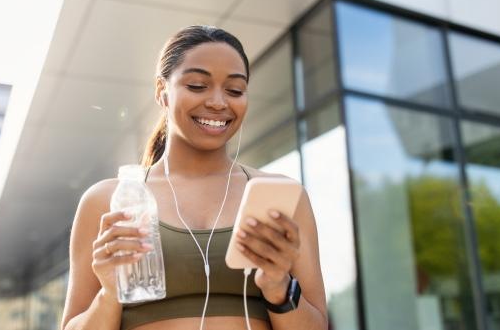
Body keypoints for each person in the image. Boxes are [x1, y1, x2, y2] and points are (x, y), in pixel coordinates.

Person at [61, 25, 327, 330]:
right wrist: (110, 293)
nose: (218, 102)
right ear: (162, 91)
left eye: (235, 90)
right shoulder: (108, 200)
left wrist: (279, 289)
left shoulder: (284, 197)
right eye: (198, 85)